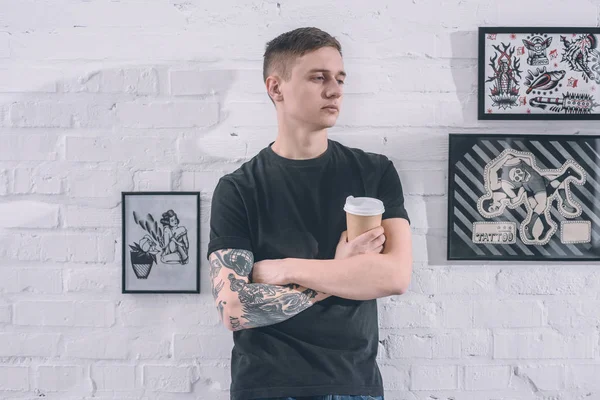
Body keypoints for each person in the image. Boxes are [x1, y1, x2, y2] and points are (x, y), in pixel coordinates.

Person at [207, 27, 413, 400]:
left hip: (353, 385)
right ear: (276, 88)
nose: (334, 90)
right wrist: (342, 269)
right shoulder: (238, 188)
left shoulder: (375, 172)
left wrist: (286, 268)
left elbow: (395, 276)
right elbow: (234, 309)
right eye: (319, 77)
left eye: (339, 79)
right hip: (266, 387)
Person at [478, 150, 585, 244]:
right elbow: (519, 193)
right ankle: (567, 174)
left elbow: (492, 170)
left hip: (526, 175)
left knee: (541, 203)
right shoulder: (506, 199)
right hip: (526, 186)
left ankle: (530, 225)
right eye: (492, 211)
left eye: (491, 209)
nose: (494, 210)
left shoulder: (494, 187)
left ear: (490, 203)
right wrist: (515, 196)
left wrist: (505, 158)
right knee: (537, 202)